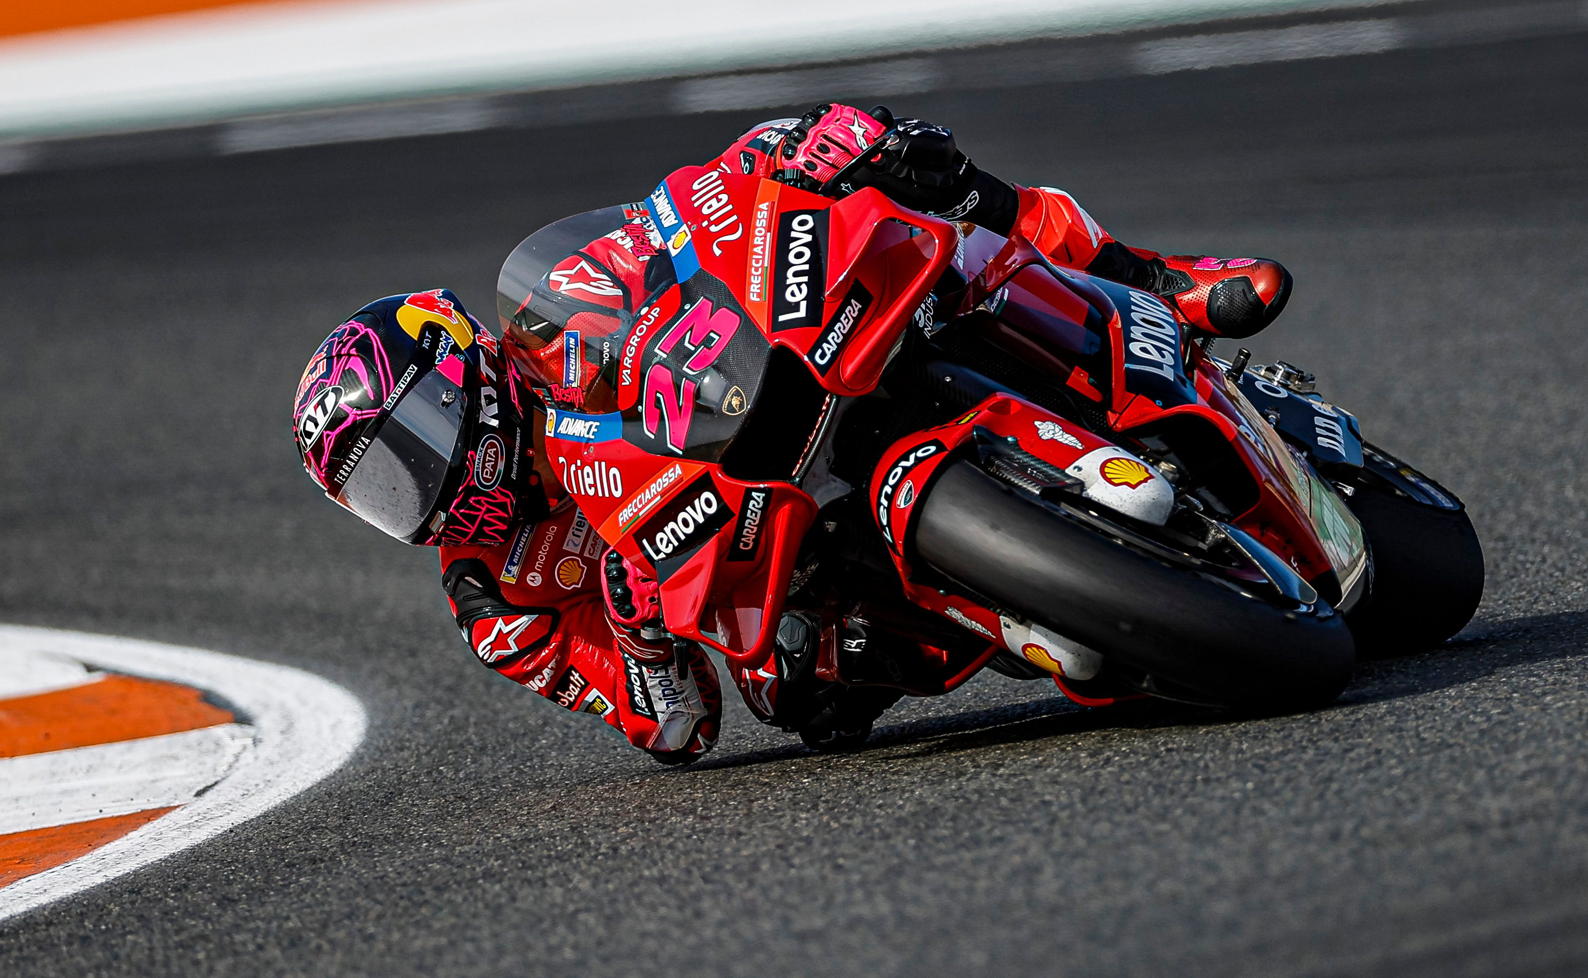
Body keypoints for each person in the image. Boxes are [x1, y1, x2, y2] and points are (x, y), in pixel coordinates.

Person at [291, 104, 1293, 765]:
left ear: (459, 368)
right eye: (386, 489)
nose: (424, 487)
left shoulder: (554, 317)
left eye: (412, 445)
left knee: (927, 209)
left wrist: (789, 154)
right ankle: (1043, 613)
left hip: (765, 394)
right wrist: (643, 637)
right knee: (797, 695)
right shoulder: (493, 598)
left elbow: (673, 222)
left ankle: (1153, 279)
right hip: (754, 570)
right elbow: (674, 728)